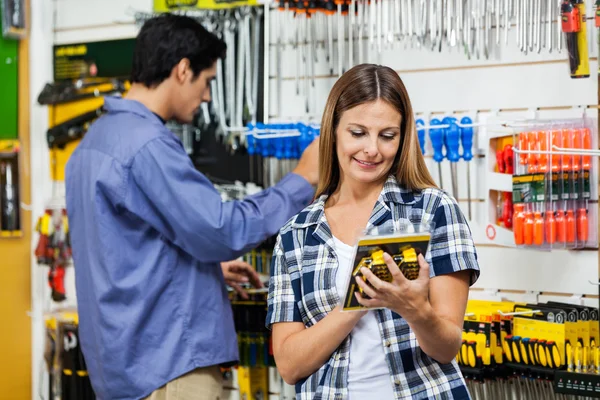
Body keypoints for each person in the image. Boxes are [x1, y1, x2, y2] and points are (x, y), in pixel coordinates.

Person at [65, 13, 320, 400]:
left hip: (123, 368)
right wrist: (302, 180)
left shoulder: (94, 142)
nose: (206, 97)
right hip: (169, 369)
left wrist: (198, 271)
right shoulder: (147, 145)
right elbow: (222, 230)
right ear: (183, 70)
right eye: (207, 82)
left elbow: (120, 250)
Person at [266, 63, 480, 400]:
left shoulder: (434, 210)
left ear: (402, 137)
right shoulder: (297, 233)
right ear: (333, 129)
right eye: (357, 132)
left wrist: (415, 310)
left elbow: (447, 348)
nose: (372, 150)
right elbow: (290, 366)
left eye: (387, 135)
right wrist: (357, 301)